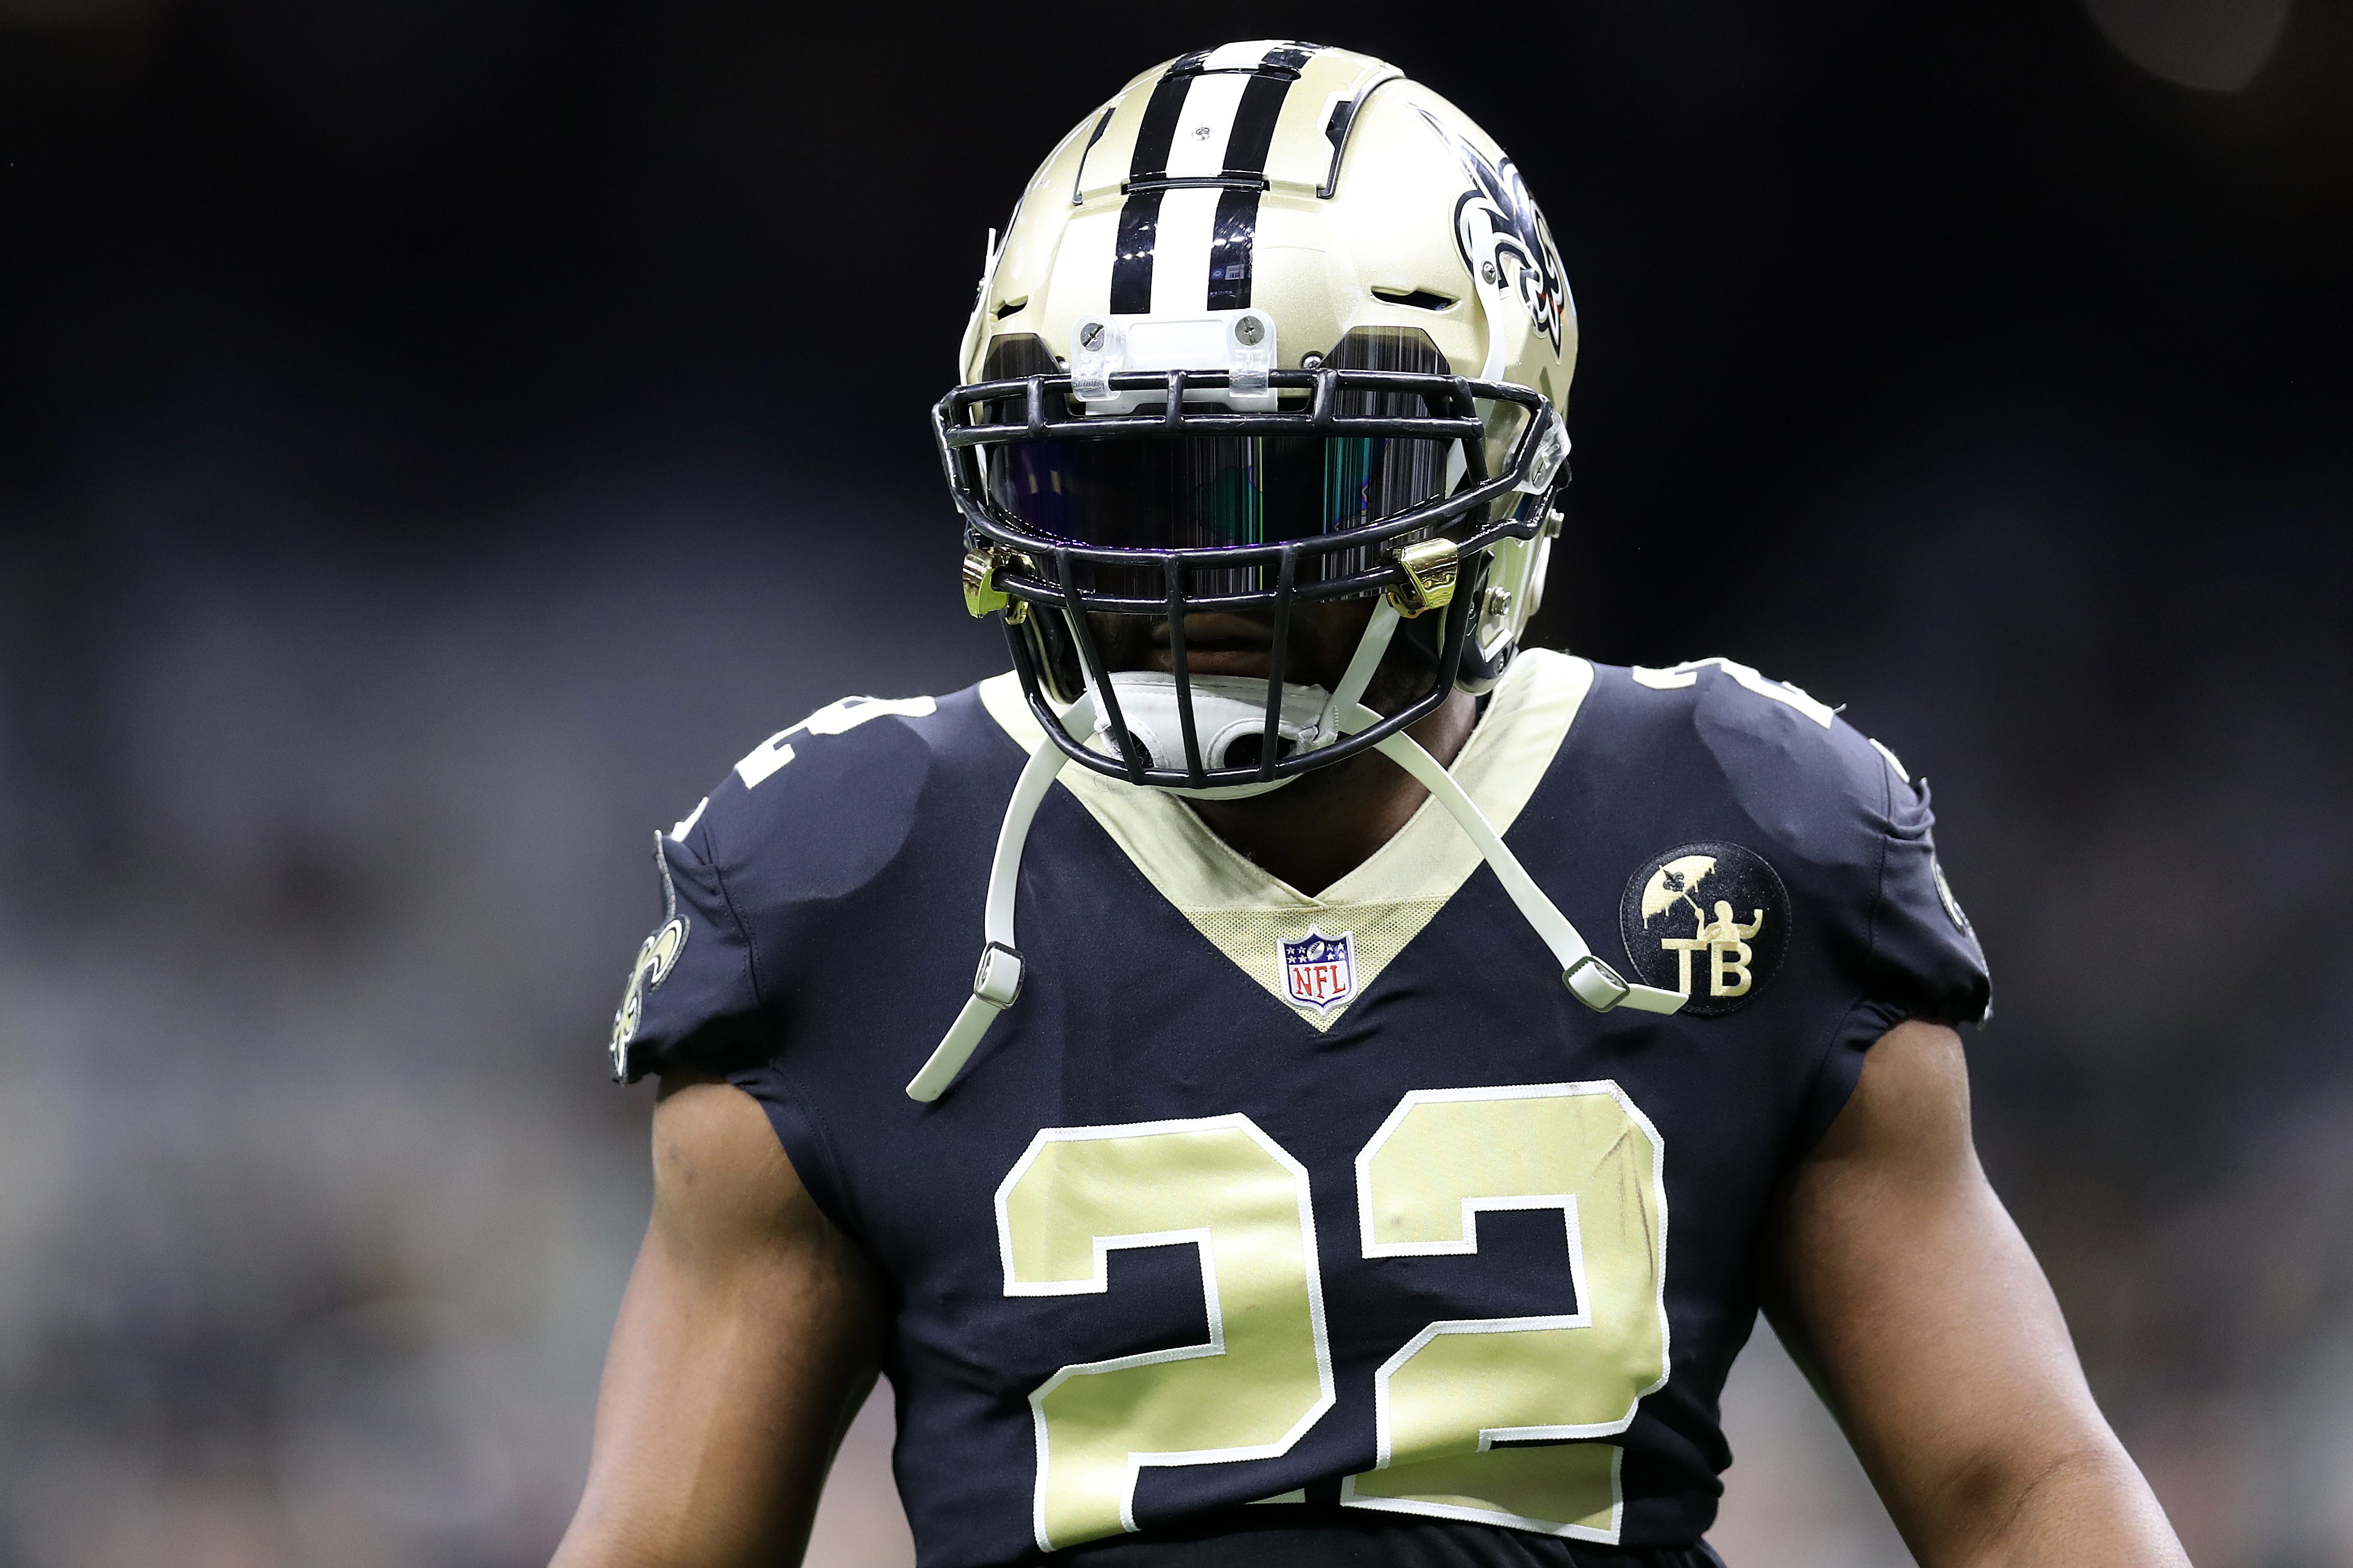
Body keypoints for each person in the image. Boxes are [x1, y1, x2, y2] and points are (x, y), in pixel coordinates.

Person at [551, 41, 2190, 1568]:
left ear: (1494, 476)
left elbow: (2017, 1486)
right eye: (1120, 482)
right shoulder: (856, 881)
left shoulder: (1735, 828)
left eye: (1292, 479)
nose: (1200, 571)